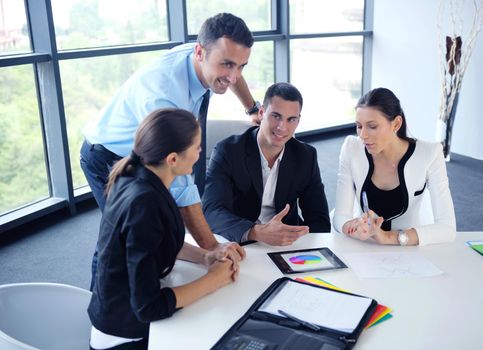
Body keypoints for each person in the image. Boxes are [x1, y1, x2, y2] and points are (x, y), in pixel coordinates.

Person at [81, 13, 252, 288]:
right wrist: (212, 249)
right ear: (200, 52)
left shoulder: (207, 56)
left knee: (159, 230)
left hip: (148, 153)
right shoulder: (165, 96)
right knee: (124, 239)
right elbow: (182, 188)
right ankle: (102, 307)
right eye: (227, 65)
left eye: (241, 66)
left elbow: (231, 72)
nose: (233, 76)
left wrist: (252, 107)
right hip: (110, 156)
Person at [88, 108, 238, 350]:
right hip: (126, 337)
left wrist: (205, 256)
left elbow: (155, 240)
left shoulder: (135, 174)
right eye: (197, 147)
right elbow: (150, 307)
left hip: (118, 312)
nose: (201, 152)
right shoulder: (144, 204)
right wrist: (214, 280)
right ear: (172, 159)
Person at [202, 82, 331, 245]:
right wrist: (255, 232)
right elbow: (211, 211)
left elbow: (319, 220)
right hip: (240, 241)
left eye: (291, 119)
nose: (282, 127)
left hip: (286, 245)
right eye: (276, 116)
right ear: (262, 112)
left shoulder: (306, 156)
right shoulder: (228, 151)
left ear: (298, 121)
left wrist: (304, 246)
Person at [333, 87, 456, 246]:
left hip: (407, 248)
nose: (362, 135)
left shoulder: (430, 153)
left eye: (372, 126)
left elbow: (447, 228)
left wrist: (387, 237)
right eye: (359, 126)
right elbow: (340, 216)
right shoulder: (351, 148)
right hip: (364, 246)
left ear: (396, 124)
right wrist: (352, 227)